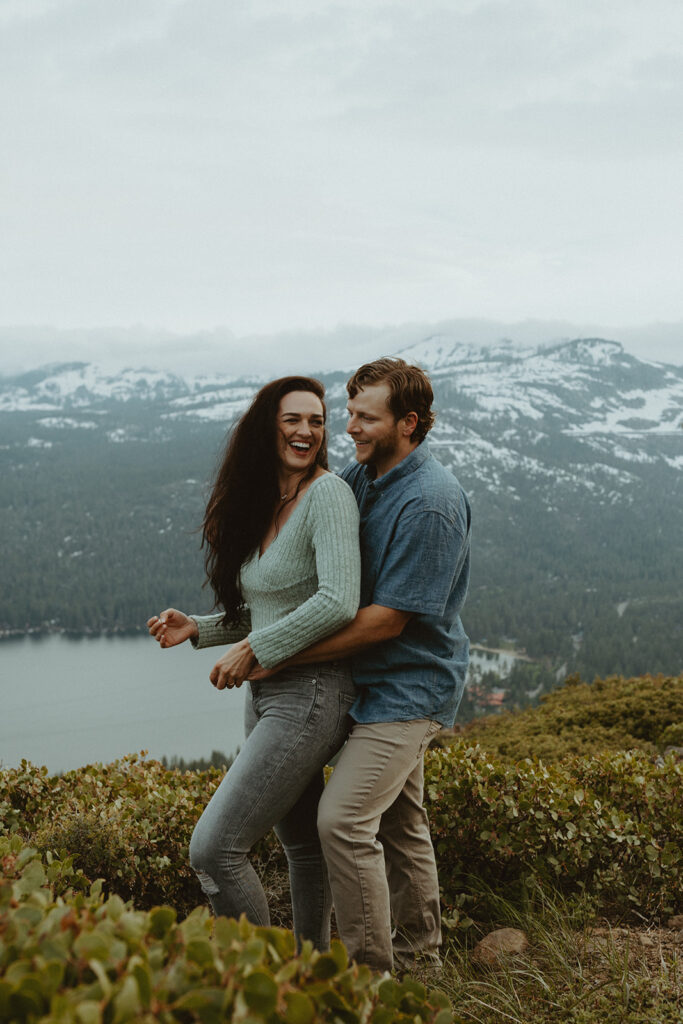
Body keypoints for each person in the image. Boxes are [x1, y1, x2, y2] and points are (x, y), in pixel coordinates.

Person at [251, 357, 471, 973]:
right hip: (369, 680)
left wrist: (277, 653)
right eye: (349, 413)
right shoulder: (364, 476)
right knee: (401, 824)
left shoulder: (430, 503)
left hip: (409, 687)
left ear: (409, 423)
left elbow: (387, 620)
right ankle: (421, 963)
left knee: (343, 821)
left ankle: (371, 980)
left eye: (365, 417)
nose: (348, 427)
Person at [147, 376, 360, 951]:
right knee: (302, 846)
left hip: (313, 691)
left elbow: (339, 600)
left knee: (214, 848)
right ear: (269, 426)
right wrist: (203, 627)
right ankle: (310, 979)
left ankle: (258, 981)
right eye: (293, 419)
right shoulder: (268, 499)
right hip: (268, 694)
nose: (306, 431)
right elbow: (270, 610)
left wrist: (257, 649)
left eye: (316, 421)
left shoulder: (329, 495)